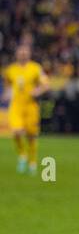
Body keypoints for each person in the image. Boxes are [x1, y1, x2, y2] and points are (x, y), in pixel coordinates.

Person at [4, 36, 48, 175]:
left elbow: (46, 84)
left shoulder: (35, 68)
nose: (23, 54)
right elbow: (7, 85)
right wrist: (6, 94)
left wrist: (38, 90)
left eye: (25, 52)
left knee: (31, 136)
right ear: (16, 54)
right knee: (16, 132)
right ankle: (22, 155)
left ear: (29, 54)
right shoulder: (10, 70)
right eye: (20, 52)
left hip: (31, 106)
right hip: (16, 105)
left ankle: (32, 162)